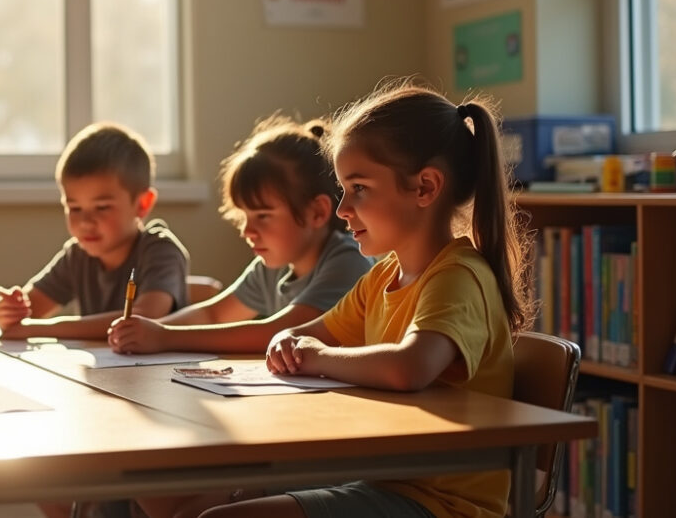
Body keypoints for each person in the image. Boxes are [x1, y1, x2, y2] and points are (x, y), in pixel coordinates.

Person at [193, 83, 534, 518]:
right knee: (195, 501)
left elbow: (409, 366)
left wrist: (315, 356)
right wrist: (290, 341)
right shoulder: (383, 278)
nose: (342, 210)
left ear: (425, 187)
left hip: (441, 505)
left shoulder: (458, 277)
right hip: (381, 479)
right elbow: (307, 334)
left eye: (359, 189)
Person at [107, 115, 370, 356]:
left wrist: (165, 337)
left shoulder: (347, 261)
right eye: (244, 216)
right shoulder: (273, 269)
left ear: (317, 212)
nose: (247, 231)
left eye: (263, 215)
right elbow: (213, 314)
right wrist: (147, 329)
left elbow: (281, 331)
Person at [0, 122, 190, 342]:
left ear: (142, 204)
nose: (85, 223)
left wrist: (39, 329)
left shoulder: (160, 250)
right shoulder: (77, 255)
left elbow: (143, 318)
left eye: (102, 207)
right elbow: (28, 312)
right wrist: (8, 311)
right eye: (75, 208)